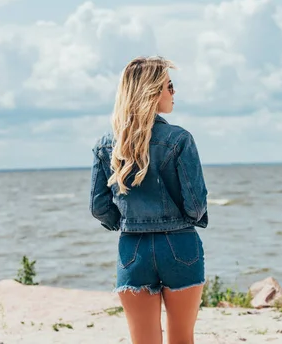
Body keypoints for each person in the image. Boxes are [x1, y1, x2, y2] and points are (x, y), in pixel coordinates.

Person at [89, 56, 208, 344]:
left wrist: (127, 222)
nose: (173, 92)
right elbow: (195, 204)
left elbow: (98, 206)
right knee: (182, 339)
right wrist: (184, 221)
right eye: (169, 85)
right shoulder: (179, 139)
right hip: (180, 245)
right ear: (153, 92)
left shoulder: (107, 144)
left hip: (133, 250)